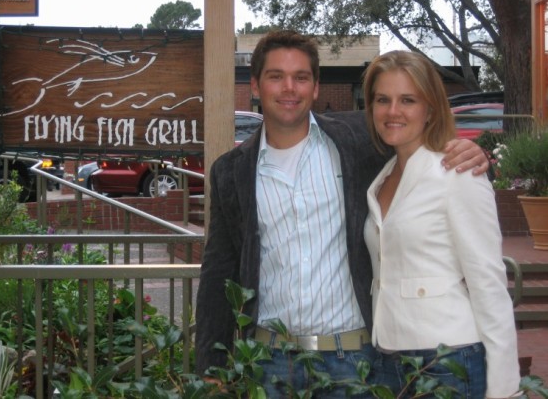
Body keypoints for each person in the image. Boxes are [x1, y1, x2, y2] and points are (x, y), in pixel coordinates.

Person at [195, 30, 489, 397]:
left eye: (301, 77)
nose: (289, 88)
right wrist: (211, 369)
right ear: (255, 85)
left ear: (316, 87)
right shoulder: (230, 171)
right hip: (269, 364)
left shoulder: (359, 141)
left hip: (354, 362)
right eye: (276, 76)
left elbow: (412, 135)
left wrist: (462, 149)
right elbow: (218, 273)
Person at [362, 50, 520, 398]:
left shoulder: (457, 174)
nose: (392, 111)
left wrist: (504, 389)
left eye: (408, 100)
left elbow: (488, 283)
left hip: (447, 359)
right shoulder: (381, 178)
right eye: (382, 99)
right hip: (387, 359)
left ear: (431, 109)